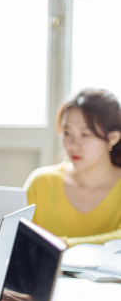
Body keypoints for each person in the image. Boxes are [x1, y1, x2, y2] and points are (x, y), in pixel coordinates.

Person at [24, 88, 121, 247]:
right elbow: (17, 237)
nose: (73, 145)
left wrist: (61, 245)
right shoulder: (41, 182)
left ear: (112, 138)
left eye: (85, 134)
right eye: (67, 132)